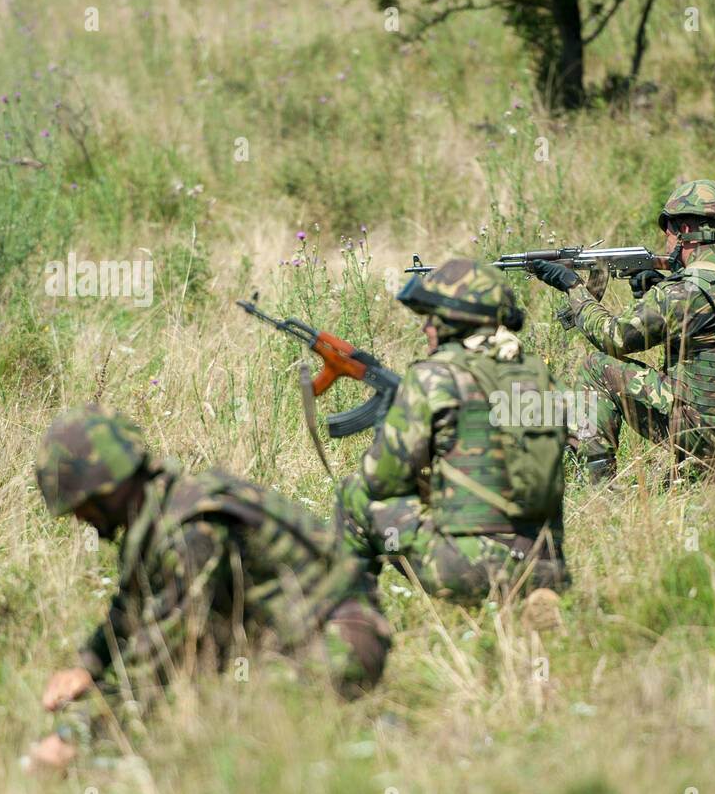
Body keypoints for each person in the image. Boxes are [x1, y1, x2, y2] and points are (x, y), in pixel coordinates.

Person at [30, 404, 390, 768]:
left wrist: (72, 737)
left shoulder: (189, 533)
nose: (78, 517)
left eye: (79, 505)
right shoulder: (162, 511)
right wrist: (87, 665)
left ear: (107, 488)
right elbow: (131, 608)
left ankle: (379, 737)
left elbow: (155, 659)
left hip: (340, 641)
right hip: (294, 638)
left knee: (225, 743)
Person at [332, 258, 568, 603]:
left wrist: (386, 429)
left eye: (433, 317)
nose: (427, 327)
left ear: (453, 321)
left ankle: (350, 619)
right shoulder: (541, 377)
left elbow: (380, 481)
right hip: (545, 563)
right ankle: (531, 597)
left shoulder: (434, 377)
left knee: (353, 494)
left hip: (467, 567)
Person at [530, 179, 715, 484]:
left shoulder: (682, 291)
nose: (666, 241)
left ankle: (596, 487)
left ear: (685, 232)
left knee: (595, 368)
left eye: (668, 231)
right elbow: (712, 339)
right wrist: (653, 291)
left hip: (711, 438)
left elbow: (612, 337)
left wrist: (575, 288)